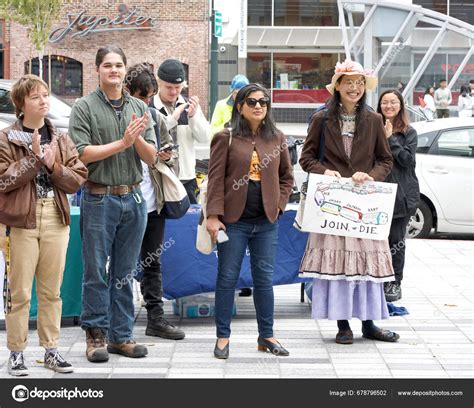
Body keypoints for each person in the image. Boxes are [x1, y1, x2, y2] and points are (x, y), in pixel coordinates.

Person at [299, 59, 399, 345]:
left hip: (364, 204)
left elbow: (385, 160)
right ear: (338, 86)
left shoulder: (374, 119)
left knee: (366, 264)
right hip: (333, 204)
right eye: (349, 83)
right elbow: (306, 158)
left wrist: (369, 175)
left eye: (359, 83)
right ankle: (343, 325)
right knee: (339, 266)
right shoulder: (321, 119)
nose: (354, 88)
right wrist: (324, 171)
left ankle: (369, 323)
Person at [69, 45, 156, 363]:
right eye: (108, 65)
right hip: (98, 198)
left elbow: (152, 157)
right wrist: (122, 142)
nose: (114, 70)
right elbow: (80, 152)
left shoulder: (138, 106)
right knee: (96, 272)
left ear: (125, 69)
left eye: (119, 65)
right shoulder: (84, 107)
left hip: (133, 199)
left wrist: (137, 140)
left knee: (124, 272)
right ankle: (95, 336)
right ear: (97, 70)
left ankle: (121, 336)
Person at [0, 74, 87, 375]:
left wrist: (52, 164)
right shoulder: (5, 138)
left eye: (46, 94)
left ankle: (51, 350)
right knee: (20, 291)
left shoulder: (61, 138)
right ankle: (16, 353)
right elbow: (3, 180)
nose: (44, 100)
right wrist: (34, 160)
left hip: (55, 216)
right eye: (36, 96)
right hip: (20, 220)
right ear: (21, 104)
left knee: (52, 291)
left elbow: (77, 179)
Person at [206, 83, 294, 359]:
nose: (258, 106)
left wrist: (279, 206)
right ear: (240, 106)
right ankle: (222, 337)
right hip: (234, 222)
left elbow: (286, 178)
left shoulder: (277, 137)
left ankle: (266, 336)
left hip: (266, 222)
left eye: (263, 102)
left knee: (264, 279)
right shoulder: (226, 137)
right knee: (227, 278)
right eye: (252, 101)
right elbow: (215, 179)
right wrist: (212, 216)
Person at [124, 63, 185, 340]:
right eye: (140, 96)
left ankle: (156, 318)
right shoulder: (118, 115)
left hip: (153, 200)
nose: (145, 102)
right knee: (120, 263)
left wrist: (165, 155)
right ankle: (118, 320)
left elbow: (173, 155)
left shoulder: (154, 117)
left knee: (153, 262)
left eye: (148, 97)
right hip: (123, 200)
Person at [377, 89, 420, 302]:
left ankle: (394, 282)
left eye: (393, 102)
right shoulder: (372, 129)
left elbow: (406, 160)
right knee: (376, 239)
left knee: (395, 240)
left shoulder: (409, 132)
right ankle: (376, 279)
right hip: (376, 193)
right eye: (385, 102)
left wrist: (390, 138)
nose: (389, 106)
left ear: (401, 106)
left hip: (400, 195)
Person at [151, 59, 210, 204]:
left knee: (189, 225)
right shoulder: (150, 105)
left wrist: (193, 116)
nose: (174, 92)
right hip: (159, 178)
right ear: (159, 83)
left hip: (187, 179)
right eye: (168, 87)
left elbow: (205, 138)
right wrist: (171, 119)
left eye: (178, 87)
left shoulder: (190, 106)